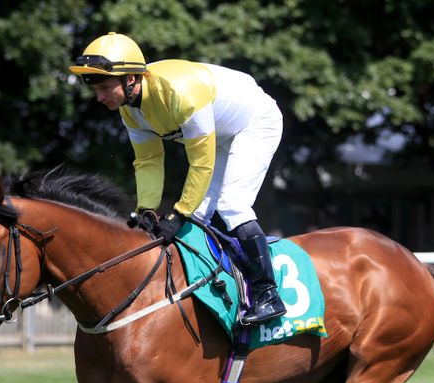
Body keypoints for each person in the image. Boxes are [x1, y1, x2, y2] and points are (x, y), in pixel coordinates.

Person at [68, 32, 286, 325]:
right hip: (220, 134)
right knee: (197, 217)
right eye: (96, 90)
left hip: (254, 123)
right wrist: (146, 209)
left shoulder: (179, 93)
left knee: (231, 205)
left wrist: (178, 213)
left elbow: (201, 163)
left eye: (105, 87)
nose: (100, 97)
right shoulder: (130, 110)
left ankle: (267, 293)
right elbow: (148, 161)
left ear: (131, 79)